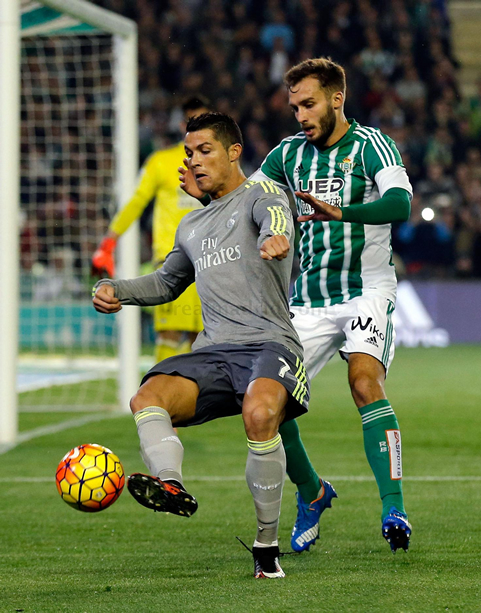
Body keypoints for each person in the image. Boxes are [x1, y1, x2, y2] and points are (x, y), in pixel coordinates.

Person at [180, 58, 413, 554]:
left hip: (366, 290)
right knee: (269, 401)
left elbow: (400, 205)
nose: (300, 115)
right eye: (293, 106)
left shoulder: (372, 146)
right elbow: (246, 204)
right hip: (305, 300)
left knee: (365, 382)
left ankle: (393, 506)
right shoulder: (287, 156)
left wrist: (342, 212)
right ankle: (313, 492)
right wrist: (207, 198)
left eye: (308, 104)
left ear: (336, 99)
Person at [92, 112, 311, 579]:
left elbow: (275, 219)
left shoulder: (261, 194)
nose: (195, 160)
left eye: (206, 150)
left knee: (259, 414)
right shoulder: (191, 226)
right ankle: (169, 485)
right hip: (214, 352)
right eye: (190, 153)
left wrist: (277, 237)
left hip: (271, 342)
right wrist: (118, 290)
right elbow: (167, 282)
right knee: (146, 397)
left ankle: (266, 547)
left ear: (234, 151)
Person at [92, 97, 210, 363]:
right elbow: (136, 202)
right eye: (195, 122)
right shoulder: (161, 162)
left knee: (204, 337)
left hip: (211, 258)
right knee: (169, 332)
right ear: (182, 125)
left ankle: (195, 399)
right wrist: (110, 240)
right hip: (173, 259)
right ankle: (159, 394)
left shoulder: (218, 165)